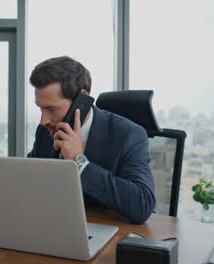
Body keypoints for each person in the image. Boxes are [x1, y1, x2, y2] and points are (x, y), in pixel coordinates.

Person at [27, 56, 155, 224]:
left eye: (51, 109)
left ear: (81, 100)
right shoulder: (46, 131)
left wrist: (79, 161)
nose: (43, 120)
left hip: (107, 233)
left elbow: (142, 205)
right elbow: (29, 179)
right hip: (55, 225)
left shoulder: (129, 135)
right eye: (41, 108)